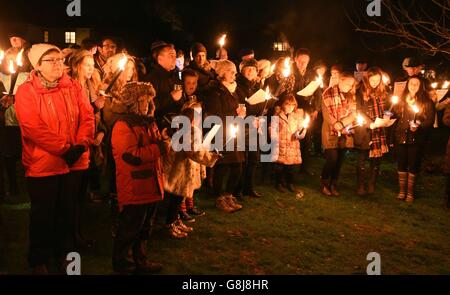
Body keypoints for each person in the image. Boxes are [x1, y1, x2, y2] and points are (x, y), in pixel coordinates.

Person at [15, 44, 94, 274]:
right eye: (51, 60)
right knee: (43, 214)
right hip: (44, 165)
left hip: (74, 162)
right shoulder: (26, 91)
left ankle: (65, 254)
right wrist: (63, 148)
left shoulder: (74, 86)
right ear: (37, 66)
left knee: (67, 212)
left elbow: (87, 116)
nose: (59, 64)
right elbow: (33, 127)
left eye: (60, 59)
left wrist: (80, 144)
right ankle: (39, 258)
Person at [111, 81, 163, 274]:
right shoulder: (123, 125)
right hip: (135, 185)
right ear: (135, 101)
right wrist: (159, 148)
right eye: (146, 99)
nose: (150, 103)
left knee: (145, 227)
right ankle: (123, 263)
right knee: (130, 228)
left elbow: (153, 144)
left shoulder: (147, 122)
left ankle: (141, 260)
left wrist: (162, 137)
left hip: (150, 184)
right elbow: (131, 156)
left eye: (151, 99)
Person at [161, 107, 221, 237]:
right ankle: (170, 225)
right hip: (181, 171)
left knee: (177, 199)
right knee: (176, 199)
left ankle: (176, 221)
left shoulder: (181, 129)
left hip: (179, 170)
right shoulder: (190, 131)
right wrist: (212, 157)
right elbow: (194, 151)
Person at [70, 49, 105, 249]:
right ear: (77, 66)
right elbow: (77, 115)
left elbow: (94, 117)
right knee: (72, 196)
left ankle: (77, 234)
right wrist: (94, 107)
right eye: (87, 65)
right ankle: (71, 237)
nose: (92, 69)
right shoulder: (70, 87)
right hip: (76, 145)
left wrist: (101, 132)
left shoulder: (90, 85)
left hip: (89, 145)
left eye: (93, 65)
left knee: (81, 194)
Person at [203, 60, 245, 213]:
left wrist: (242, 113)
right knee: (222, 166)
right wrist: (236, 114)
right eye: (231, 71)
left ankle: (229, 194)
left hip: (234, 132)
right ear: (222, 73)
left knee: (238, 166)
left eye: (235, 72)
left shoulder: (234, 90)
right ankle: (219, 197)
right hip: (221, 134)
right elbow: (216, 115)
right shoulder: (216, 92)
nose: (234, 74)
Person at [391, 75, 435, 203]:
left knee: (413, 164)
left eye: (416, 84)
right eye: (411, 83)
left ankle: (410, 192)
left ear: (421, 86)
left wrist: (419, 126)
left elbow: (430, 121)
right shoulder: (401, 100)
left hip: (416, 139)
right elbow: (395, 116)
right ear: (407, 85)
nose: (413, 86)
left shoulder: (426, 102)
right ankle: (401, 191)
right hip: (401, 137)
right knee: (401, 164)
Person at [354, 67, 390, 196]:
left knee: (376, 159)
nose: (374, 82)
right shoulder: (360, 91)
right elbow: (358, 110)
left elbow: (389, 107)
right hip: (365, 129)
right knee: (362, 158)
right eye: (372, 79)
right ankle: (360, 185)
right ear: (367, 79)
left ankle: (371, 184)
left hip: (379, 130)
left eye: (377, 80)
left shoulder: (383, 92)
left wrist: (386, 117)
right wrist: (370, 123)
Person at [320, 72, 357, 197]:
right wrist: (336, 124)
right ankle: (324, 183)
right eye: (347, 83)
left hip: (345, 131)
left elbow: (353, 113)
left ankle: (333, 184)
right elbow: (326, 114)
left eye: (351, 84)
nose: (349, 86)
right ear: (341, 80)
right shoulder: (327, 94)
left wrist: (342, 123)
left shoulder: (351, 96)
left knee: (340, 159)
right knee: (332, 158)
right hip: (330, 131)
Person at [235, 58, 266, 199]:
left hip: (255, 126)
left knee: (253, 158)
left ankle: (249, 187)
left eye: (253, 69)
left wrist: (259, 116)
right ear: (241, 70)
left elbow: (260, 106)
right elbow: (240, 106)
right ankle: (238, 189)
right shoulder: (237, 86)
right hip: (242, 126)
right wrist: (251, 113)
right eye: (248, 68)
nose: (250, 71)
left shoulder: (257, 87)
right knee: (242, 159)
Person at [271, 94, 307, 194]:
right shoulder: (277, 115)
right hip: (280, 144)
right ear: (283, 104)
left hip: (292, 144)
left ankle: (289, 183)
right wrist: (274, 135)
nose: (290, 107)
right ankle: (278, 183)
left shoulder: (297, 116)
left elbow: (302, 129)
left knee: (290, 167)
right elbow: (272, 128)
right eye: (287, 104)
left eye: (292, 105)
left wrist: (299, 134)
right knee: (280, 165)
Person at [144, 42, 183, 119]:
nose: (174, 59)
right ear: (160, 59)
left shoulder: (175, 76)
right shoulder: (151, 79)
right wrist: (170, 97)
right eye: (171, 56)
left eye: (175, 56)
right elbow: (147, 105)